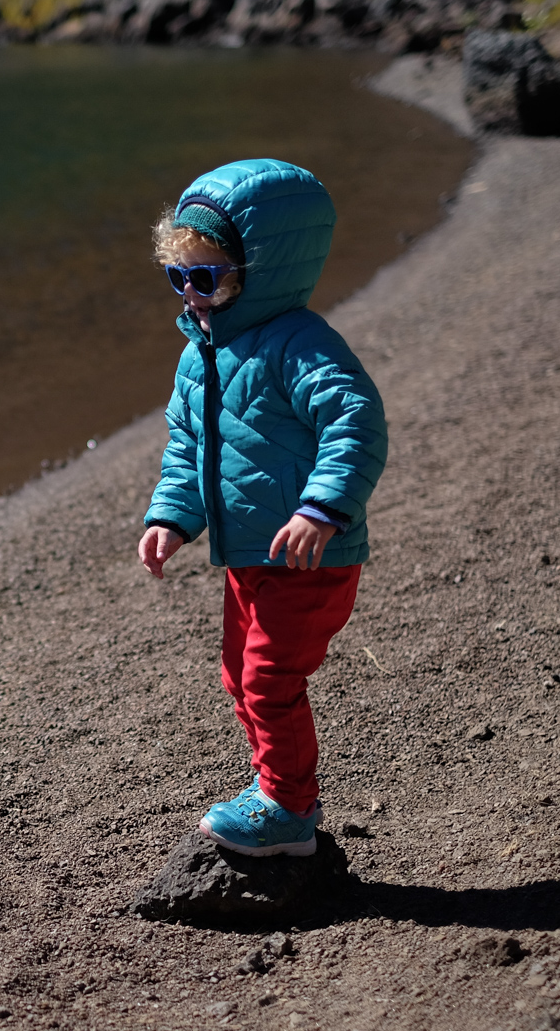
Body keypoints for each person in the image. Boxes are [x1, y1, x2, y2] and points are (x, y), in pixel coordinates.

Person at [138, 159, 387, 858]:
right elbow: (188, 446)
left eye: (206, 277)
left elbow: (355, 422)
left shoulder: (298, 344)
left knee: (270, 678)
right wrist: (171, 517)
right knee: (237, 674)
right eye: (177, 278)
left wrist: (322, 506)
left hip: (307, 553)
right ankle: (274, 787)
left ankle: (288, 808)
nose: (191, 295)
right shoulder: (203, 355)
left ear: (261, 270)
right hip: (247, 555)